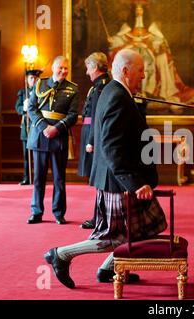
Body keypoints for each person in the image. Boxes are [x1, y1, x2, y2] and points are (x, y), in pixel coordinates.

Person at [44, 49, 167, 288]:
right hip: (118, 181)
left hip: (122, 178)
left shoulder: (117, 91)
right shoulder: (117, 96)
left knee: (149, 226)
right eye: (141, 71)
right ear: (125, 70)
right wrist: (134, 183)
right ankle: (61, 255)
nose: (144, 75)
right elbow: (111, 146)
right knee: (113, 238)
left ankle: (108, 269)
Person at [107, 3, 194, 107]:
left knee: (151, 60)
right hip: (131, 62)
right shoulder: (124, 35)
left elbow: (160, 43)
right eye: (137, 10)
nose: (139, 12)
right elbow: (118, 43)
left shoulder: (154, 35)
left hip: (150, 63)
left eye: (141, 10)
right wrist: (116, 42)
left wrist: (155, 46)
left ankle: (152, 93)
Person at [26, 56, 79, 225]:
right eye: (60, 68)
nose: (63, 71)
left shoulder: (73, 89)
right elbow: (32, 109)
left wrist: (56, 128)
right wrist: (44, 127)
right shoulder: (40, 84)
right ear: (53, 68)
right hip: (40, 136)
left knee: (59, 179)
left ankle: (58, 213)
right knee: (38, 178)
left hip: (59, 137)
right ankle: (36, 212)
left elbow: (72, 115)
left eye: (66, 69)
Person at [77, 52, 110, 229]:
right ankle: (99, 216)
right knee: (98, 179)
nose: (87, 72)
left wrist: (92, 141)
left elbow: (97, 117)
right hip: (91, 133)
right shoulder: (99, 85)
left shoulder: (101, 87)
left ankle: (99, 217)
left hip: (94, 135)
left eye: (89, 67)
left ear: (96, 67)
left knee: (99, 179)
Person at [15, 69, 42, 185]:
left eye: (36, 78)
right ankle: (27, 177)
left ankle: (38, 178)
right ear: (27, 80)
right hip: (26, 126)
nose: (34, 80)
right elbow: (18, 108)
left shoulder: (42, 92)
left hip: (37, 126)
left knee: (38, 155)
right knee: (26, 155)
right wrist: (24, 108)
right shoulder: (23, 92)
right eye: (31, 78)